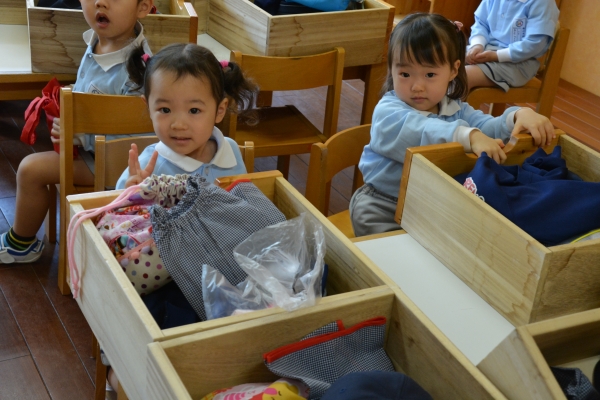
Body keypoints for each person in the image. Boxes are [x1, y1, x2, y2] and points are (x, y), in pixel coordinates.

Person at [349, 12, 555, 237]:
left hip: (432, 206)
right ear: (391, 69)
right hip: (381, 205)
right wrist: (469, 137)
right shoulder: (387, 111)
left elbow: (488, 128)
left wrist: (517, 116)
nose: (417, 86)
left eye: (430, 74)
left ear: (454, 70)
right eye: (405, 74)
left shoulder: (455, 108)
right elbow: (421, 130)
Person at [0, 0, 154, 264]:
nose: (100, 2)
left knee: (29, 170)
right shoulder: (99, 40)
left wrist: (78, 133)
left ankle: (21, 245)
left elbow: (134, 141)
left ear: (143, 7)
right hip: (89, 150)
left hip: (113, 166)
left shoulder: (138, 70)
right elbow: (91, 89)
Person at [115, 43, 258, 189]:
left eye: (194, 110)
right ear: (149, 108)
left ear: (220, 111)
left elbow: (245, 198)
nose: (179, 125)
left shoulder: (230, 150)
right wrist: (131, 193)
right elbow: (114, 201)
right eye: (165, 110)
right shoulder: (147, 167)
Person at [466, 0, 559, 91]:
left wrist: (496, 56)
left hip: (518, 64)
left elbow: (535, 43)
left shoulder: (543, 3)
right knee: (456, 61)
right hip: (486, 50)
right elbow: (480, 23)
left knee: (464, 76)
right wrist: (477, 45)